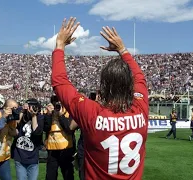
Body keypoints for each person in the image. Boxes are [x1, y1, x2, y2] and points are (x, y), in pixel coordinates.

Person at [51, 17, 149, 179]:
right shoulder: (141, 107)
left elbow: (59, 82)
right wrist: (123, 50)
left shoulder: (91, 112)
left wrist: (60, 45)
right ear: (130, 87)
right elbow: (140, 78)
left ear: (103, 87)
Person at [11, 99, 44, 180]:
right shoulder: (21, 114)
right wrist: (22, 111)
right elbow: (14, 126)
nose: (30, 109)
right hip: (20, 155)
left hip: (33, 157)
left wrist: (33, 116)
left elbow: (37, 132)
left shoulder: (40, 117)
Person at [0, 99, 19, 180]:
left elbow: (13, 134)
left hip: (4, 156)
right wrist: (4, 117)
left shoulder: (12, 117)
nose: (14, 111)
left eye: (16, 108)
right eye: (12, 108)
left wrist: (12, 124)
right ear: (5, 107)